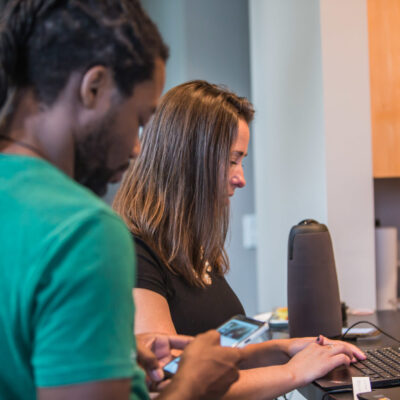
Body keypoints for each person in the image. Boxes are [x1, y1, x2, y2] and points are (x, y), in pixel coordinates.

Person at [0, 2, 243, 400]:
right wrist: (193, 384)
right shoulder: (84, 231)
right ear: (93, 87)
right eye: (139, 120)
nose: (135, 148)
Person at [113, 80, 367, 399]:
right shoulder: (137, 254)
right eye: (232, 160)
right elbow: (174, 380)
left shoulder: (188, 248)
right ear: (189, 159)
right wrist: (292, 372)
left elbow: (218, 358)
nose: (241, 178)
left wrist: (285, 349)